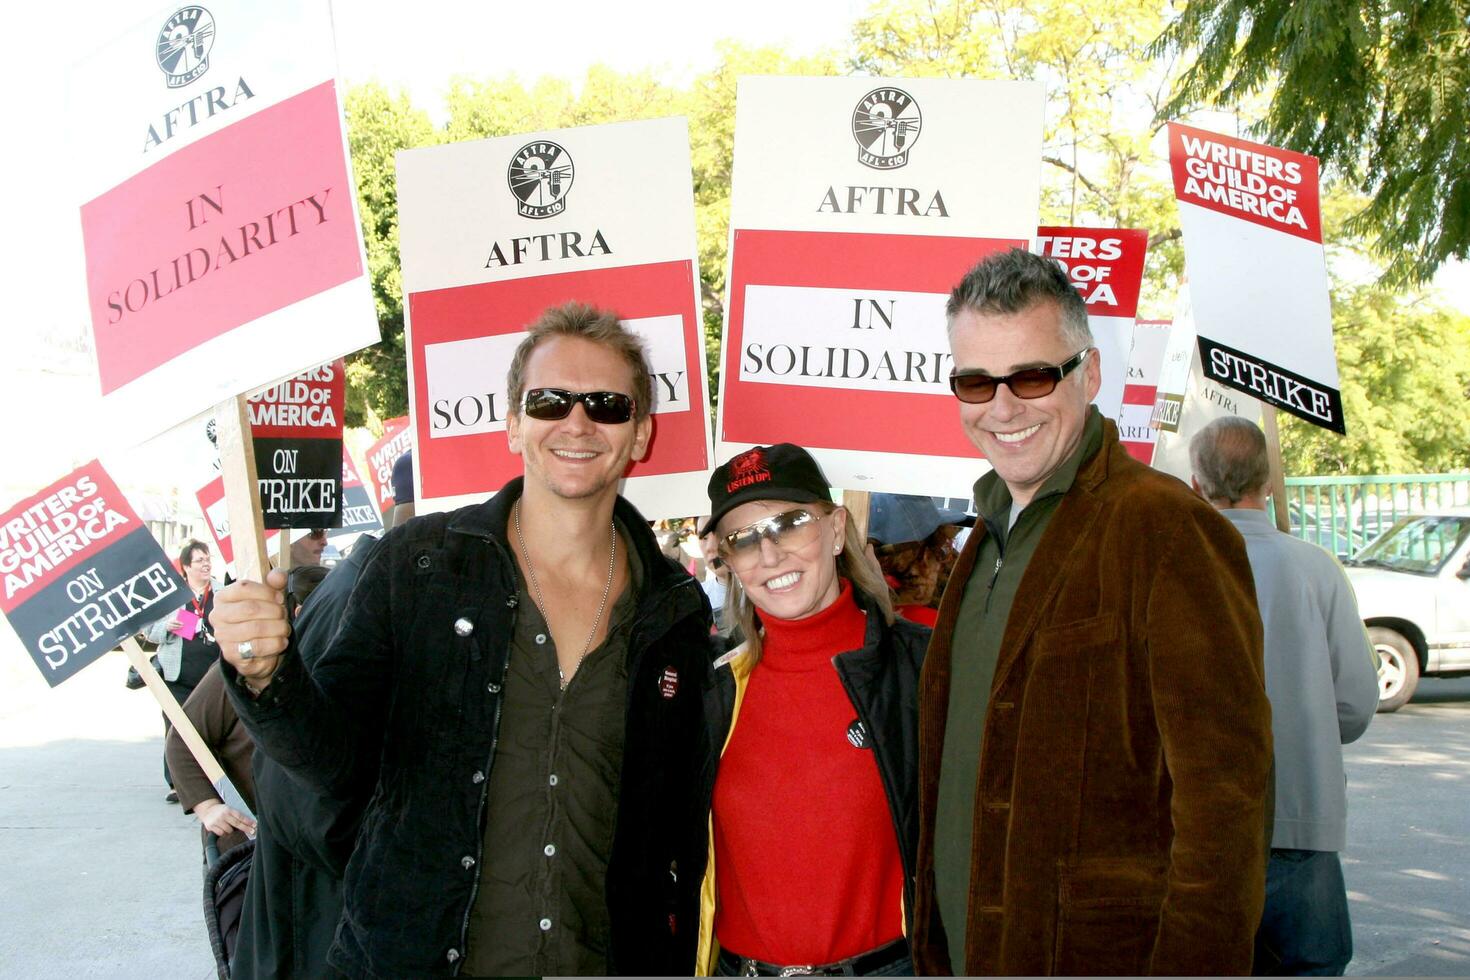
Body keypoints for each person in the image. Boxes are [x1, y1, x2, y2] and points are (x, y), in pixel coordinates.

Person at [212, 302, 714, 977]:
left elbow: (677, 829)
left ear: (642, 433)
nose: (577, 422)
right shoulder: (419, 565)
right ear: (513, 425)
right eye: (549, 401)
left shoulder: (673, 610)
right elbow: (330, 763)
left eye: (606, 405)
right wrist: (267, 674)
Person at [912, 247, 1273, 976]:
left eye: (1034, 375)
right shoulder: (981, 540)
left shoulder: (1166, 530)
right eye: (976, 382)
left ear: (1092, 373)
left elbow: (1226, 811)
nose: (1003, 407)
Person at [695, 444, 928, 977]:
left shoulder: (922, 669)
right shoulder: (710, 689)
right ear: (727, 562)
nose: (769, 554)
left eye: (791, 522)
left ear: (837, 529)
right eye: (743, 539)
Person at [1189, 416, 1379, 976]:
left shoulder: (1178, 565)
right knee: (1309, 967)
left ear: (1197, 485)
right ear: (1269, 482)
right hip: (1300, 813)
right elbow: (1356, 702)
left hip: (1201, 822)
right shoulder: (1315, 569)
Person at [145, 539, 222, 803]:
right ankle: (177, 783)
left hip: (213, 674)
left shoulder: (222, 592)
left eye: (208, 559)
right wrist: (169, 625)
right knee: (177, 727)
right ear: (186, 566)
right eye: (199, 560)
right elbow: (150, 633)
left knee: (210, 726)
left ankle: (214, 779)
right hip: (177, 675)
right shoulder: (171, 597)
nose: (206, 564)